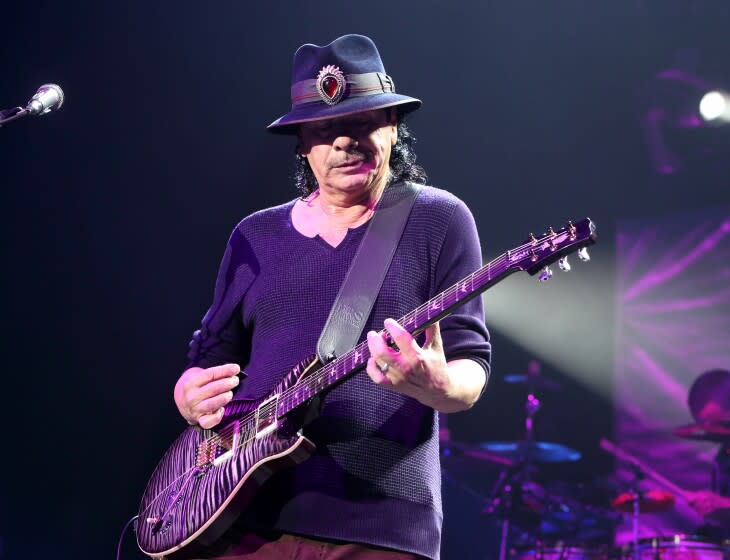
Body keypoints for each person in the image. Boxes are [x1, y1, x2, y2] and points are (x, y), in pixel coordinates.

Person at [172, 34, 491, 559]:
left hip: (379, 524)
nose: (344, 142)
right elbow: (208, 359)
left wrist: (436, 384)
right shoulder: (255, 235)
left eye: (361, 122)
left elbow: (470, 367)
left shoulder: (439, 219)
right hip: (242, 518)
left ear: (392, 128)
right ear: (303, 144)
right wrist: (188, 394)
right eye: (325, 130)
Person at [684, 369, 730, 528]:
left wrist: (724, 504)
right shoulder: (722, 458)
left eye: (721, 424)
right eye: (708, 426)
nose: (714, 433)